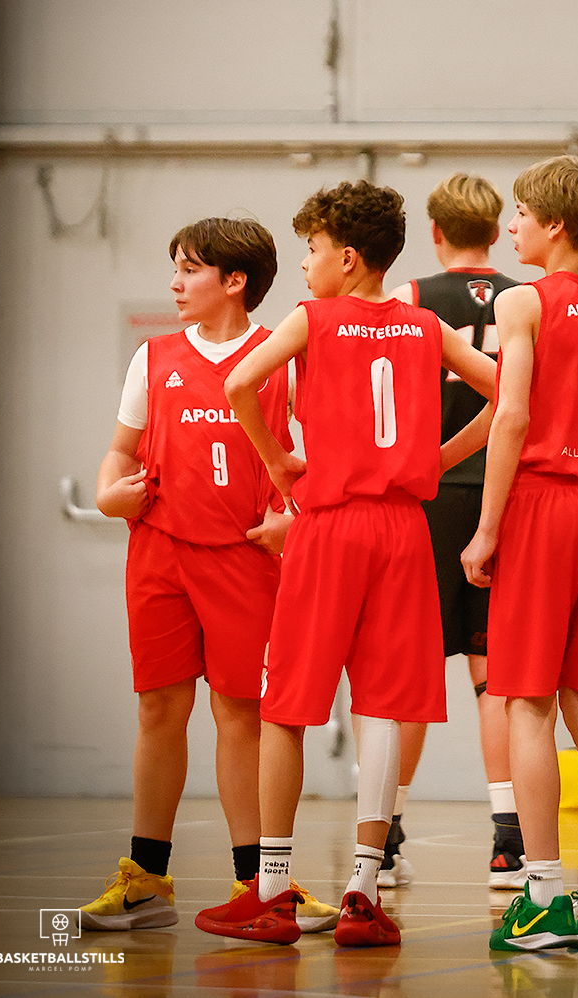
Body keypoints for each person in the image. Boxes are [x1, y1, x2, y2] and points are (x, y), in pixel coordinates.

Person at [193, 181, 497, 947]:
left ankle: (270, 890)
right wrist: (439, 458)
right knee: (382, 705)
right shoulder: (424, 324)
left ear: (348, 258)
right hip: (404, 528)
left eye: (313, 248)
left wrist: (278, 461)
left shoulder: (314, 318)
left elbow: (237, 383)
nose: (305, 264)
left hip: (329, 526)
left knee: (286, 706)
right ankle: (364, 890)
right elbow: (508, 392)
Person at [82, 217, 335, 934]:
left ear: (235, 281)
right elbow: (120, 452)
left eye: (189, 269)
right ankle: (146, 879)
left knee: (241, 715)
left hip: (245, 557)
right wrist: (108, 493)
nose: (174, 283)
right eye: (176, 268)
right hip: (159, 553)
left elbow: (328, 457)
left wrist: (296, 516)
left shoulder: (283, 355)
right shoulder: (154, 356)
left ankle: (260, 883)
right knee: (158, 709)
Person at [458, 155, 578, 953]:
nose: (511, 227)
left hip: (543, 502)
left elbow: (510, 418)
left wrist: (488, 527)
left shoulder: (523, 301)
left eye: (521, 214)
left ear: (556, 225)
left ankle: (541, 897)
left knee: (527, 704)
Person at [386, 174, 523, 891]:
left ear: (434, 233)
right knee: (493, 673)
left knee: (410, 670)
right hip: (502, 495)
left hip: (430, 496)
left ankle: (385, 836)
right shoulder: (523, 299)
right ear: (497, 233)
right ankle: (508, 841)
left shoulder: (408, 299)